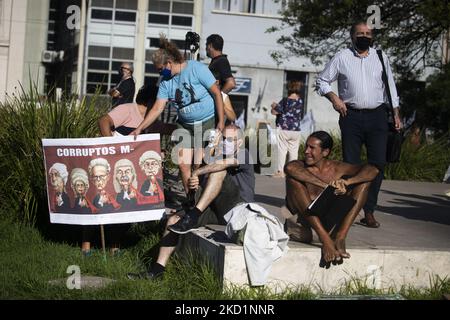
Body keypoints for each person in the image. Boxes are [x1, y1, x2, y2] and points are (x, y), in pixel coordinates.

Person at [127, 125, 255, 279]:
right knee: (174, 220)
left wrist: (198, 171)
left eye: (229, 140)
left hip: (238, 209)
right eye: (223, 139)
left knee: (218, 170)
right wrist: (195, 182)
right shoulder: (215, 158)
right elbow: (205, 182)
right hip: (216, 210)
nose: (224, 143)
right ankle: (157, 270)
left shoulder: (244, 154)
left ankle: (194, 214)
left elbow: (223, 165)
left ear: (239, 143)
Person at [315, 21, 402, 228]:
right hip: (351, 116)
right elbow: (322, 81)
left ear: (372, 36)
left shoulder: (381, 57)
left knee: (377, 165)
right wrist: (334, 98)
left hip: (378, 116)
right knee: (351, 165)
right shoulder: (342, 57)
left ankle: (369, 211)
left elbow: (390, 86)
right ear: (352, 36)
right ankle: (349, 208)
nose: (364, 36)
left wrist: (396, 114)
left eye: (368, 33)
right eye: (360, 33)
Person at [131, 36, 225, 197]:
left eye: (161, 69)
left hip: (206, 121)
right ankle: (191, 200)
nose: (160, 73)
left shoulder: (196, 68)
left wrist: (221, 122)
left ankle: (201, 199)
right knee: (183, 164)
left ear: (169, 62)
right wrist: (140, 128)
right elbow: (157, 108)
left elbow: (217, 94)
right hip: (185, 125)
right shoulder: (166, 83)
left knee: (198, 164)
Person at [283, 131, 378, 266]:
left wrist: (348, 182)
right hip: (304, 229)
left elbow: (372, 170)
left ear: (325, 152)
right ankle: (326, 240)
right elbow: (289, 167)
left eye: (312, 148)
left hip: (330, 226)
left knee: (364, 182)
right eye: (306, 147)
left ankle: (340, 237)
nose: (306, 151)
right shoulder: (300, 166)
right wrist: (328, 186)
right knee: (293, 181)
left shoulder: (337, 168)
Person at [100, 85, 174, 137]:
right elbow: (104, 121)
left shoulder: (151, 118)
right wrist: (111, 144)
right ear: (152, 101)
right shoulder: (127, 109)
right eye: (161, 101)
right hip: (117, 154)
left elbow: (166, 128)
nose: (164, 104)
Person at [271, 80, 305, 178]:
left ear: (288, 89)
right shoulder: (300, 101)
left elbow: (275, 112)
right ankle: (293, 172)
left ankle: (280, 171)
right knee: (294, 151)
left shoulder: (285, 100)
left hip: (284, 128)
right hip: (296, 129)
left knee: (282, 150)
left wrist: (274, 106)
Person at [206, 34, 237, 121]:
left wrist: (218, 97)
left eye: (206, 45)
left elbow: (231, 83)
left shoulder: (221, 61)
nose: (205, 48)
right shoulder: (217, 61)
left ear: (210, 46)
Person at [70, 168, 97, 256]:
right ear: (74, 187)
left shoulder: (88, 198)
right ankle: (85, 247)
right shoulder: (73, 199)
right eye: (78, 185)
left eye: (82, 185)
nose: (80, 188)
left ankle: (87, 244)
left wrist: (86, 206)